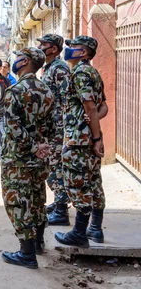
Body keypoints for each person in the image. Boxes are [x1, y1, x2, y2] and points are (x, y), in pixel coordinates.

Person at [0, 47, 54, 269]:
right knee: (37, 198)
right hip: (39, 159)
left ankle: (27, 253)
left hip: (18, 160)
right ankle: (39, 243)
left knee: (17, 202)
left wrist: (32, 148)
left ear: (23, 62)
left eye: (17, 58)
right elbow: (52, 126)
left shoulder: (15, 91)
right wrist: (43, 148)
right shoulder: (47, 91)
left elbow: (13, 127)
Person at [55, 36, 108, 247]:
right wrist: (95, 126)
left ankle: (79, 233)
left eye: (73, 47)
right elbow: (103, 107)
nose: (69, 50)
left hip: (79, 141)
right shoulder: (93, 73)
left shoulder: (80, 73)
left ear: (84, 53)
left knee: (78, 185)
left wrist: (95, 137)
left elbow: (91, 107)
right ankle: (95, 229)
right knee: (94, 183)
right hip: (89, 137)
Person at [36, 34, 72, 226]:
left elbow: (68, 99)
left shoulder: (60, 69)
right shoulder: (49, 68)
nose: (41, 47)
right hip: (51, 126)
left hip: (59, 127)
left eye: (44, 44)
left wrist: (66, 129)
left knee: (56, 166)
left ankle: (61, 210)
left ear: (54, 49)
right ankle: (59, 201)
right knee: (52, 166)